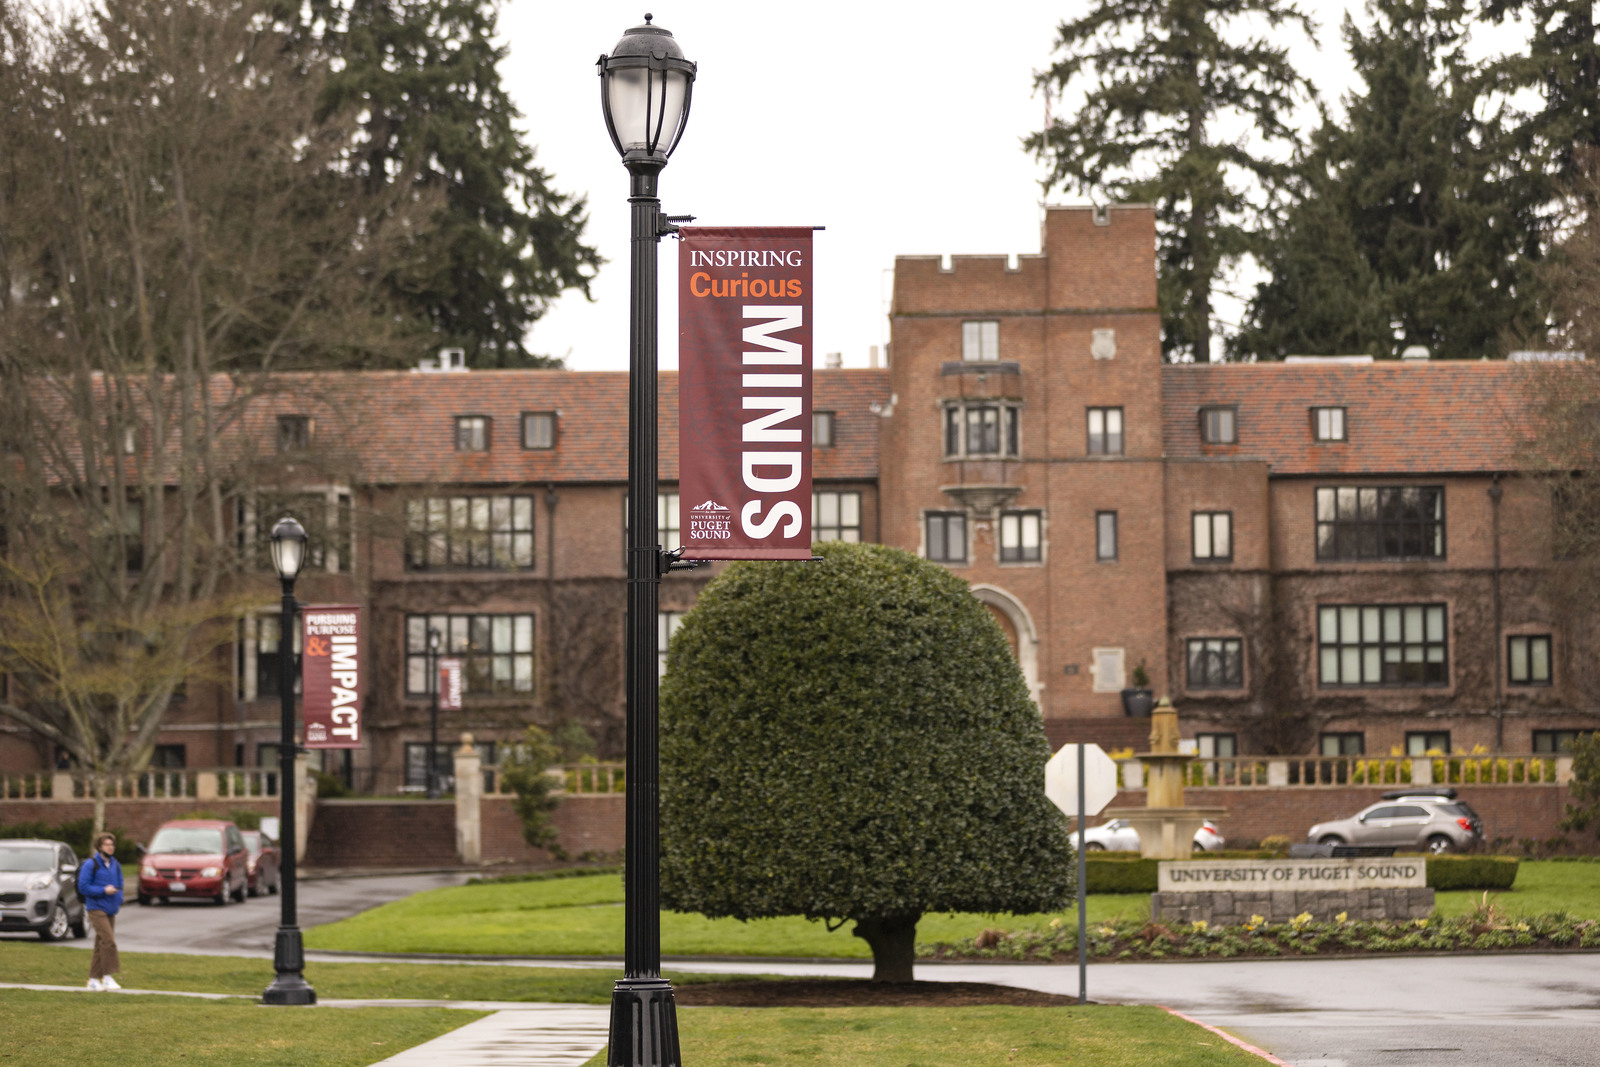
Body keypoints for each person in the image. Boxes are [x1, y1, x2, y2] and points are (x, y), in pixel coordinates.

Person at [77, 833, 123, 991]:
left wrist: (118, 900)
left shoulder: (115, 864)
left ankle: (93, 980)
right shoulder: (91, 864)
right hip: (96, 908)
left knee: (100, 944)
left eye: (112, 844)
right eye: (107, 844)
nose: (110, 847)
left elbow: (120, 885)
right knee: (109, 941)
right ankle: (108, 976)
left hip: (111, 909)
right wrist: (104, 890)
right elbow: (83, 887)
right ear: (99, 847)